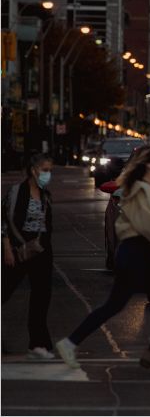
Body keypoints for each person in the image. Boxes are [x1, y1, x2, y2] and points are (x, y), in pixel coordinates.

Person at [56, 145, 150, 373]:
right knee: (120, 305)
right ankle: (69, 343)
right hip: (136, 251)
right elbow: (149, 226)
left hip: (139, 252)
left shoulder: (143, 187)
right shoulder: (142, 189)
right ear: (149, 164)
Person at [2, 152, 55, 359]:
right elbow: (4, 220)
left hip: (41, 251)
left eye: (50, 171)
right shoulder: (17, 192)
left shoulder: (46, 195)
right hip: (17, 249)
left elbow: (47, 225)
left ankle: (38, 344)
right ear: (33, 170)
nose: (48, 175)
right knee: (4, 290)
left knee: (41, 297)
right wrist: (7, 248)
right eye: (45, 170)